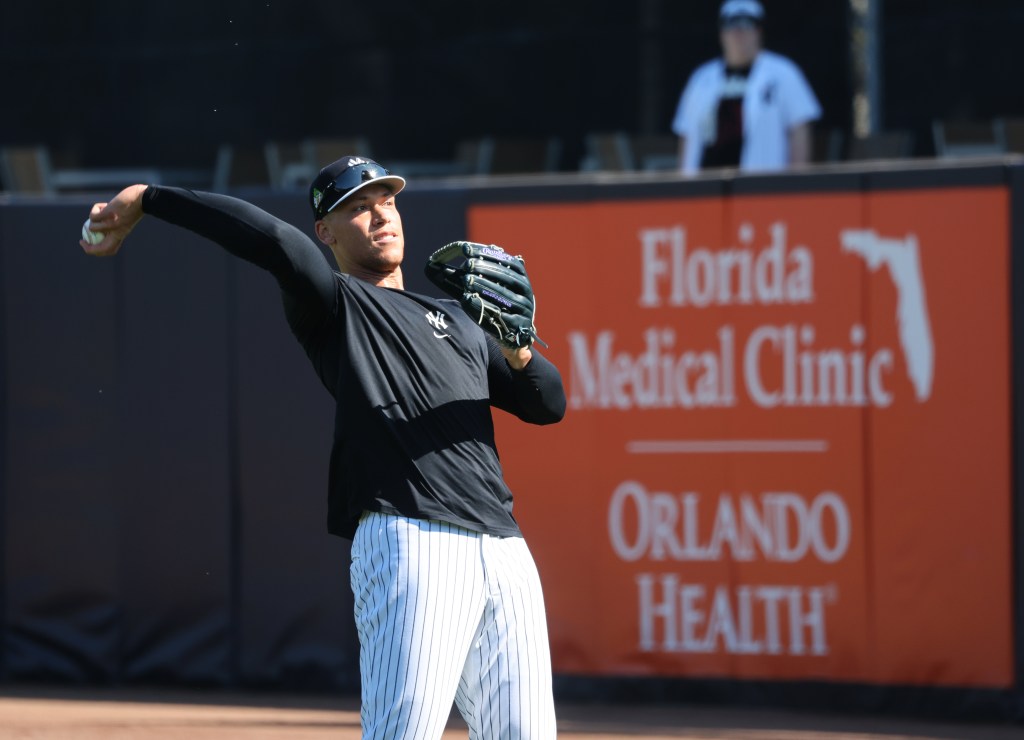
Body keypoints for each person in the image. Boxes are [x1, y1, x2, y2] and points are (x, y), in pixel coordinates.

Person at [78, 156, 566, 739]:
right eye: (357, 207)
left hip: (505, 550)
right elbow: (273, 241)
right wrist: (149, 198)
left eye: (385, 200)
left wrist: (517, 351)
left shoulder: (460, 319)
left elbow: (547, 405)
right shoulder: (335, 304)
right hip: (414, 537)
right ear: (327, 233)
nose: (379, 213)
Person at [672, 0, 821, 175]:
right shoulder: (701, 78)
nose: (738, 32)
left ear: (759, 31)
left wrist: (796, 184)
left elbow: (799, 129)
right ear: (721, 32)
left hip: (761, 188)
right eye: (731, 25)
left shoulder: (783, 73)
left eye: (746, 24)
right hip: (705, 188)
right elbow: (687, 134)